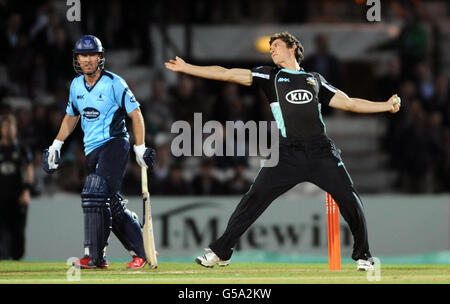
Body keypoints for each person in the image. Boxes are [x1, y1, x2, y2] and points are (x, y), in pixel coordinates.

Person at [165, 31, 401, 271]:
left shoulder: (314, 79)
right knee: (253, 198)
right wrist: (188, 68)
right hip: (287, 153)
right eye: (270, 48)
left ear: (292, 47)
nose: (272, 50)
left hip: (321, 151)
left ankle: (364, 256)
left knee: (350, 199)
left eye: (276, 45)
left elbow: (350, 103)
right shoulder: (270, 76)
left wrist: (386, 106)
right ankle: (221, 251)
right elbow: (226, 73)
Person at [42, 35, 155, 269]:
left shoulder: (114, 83)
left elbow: (136, 114)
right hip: (91, 150)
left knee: (93, 192)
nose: (88, 59)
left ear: (100, 57)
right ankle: (141, 252)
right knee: (109, 203)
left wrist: (140, 147)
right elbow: (72, 116)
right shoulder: (75, 86)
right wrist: (56, 144)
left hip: (115, 144)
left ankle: (93, 257)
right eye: (83, 55)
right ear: (77, 59)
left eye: (93, 54)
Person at [0, 114, 33, 260]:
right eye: (6, 127)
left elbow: (29, 169)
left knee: (18, 230)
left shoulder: (22, 148)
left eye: (11, 127)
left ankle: (17, 260)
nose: (8, 130)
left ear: (16, 129)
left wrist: (26, 191)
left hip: (18, 197)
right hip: (1, 197)